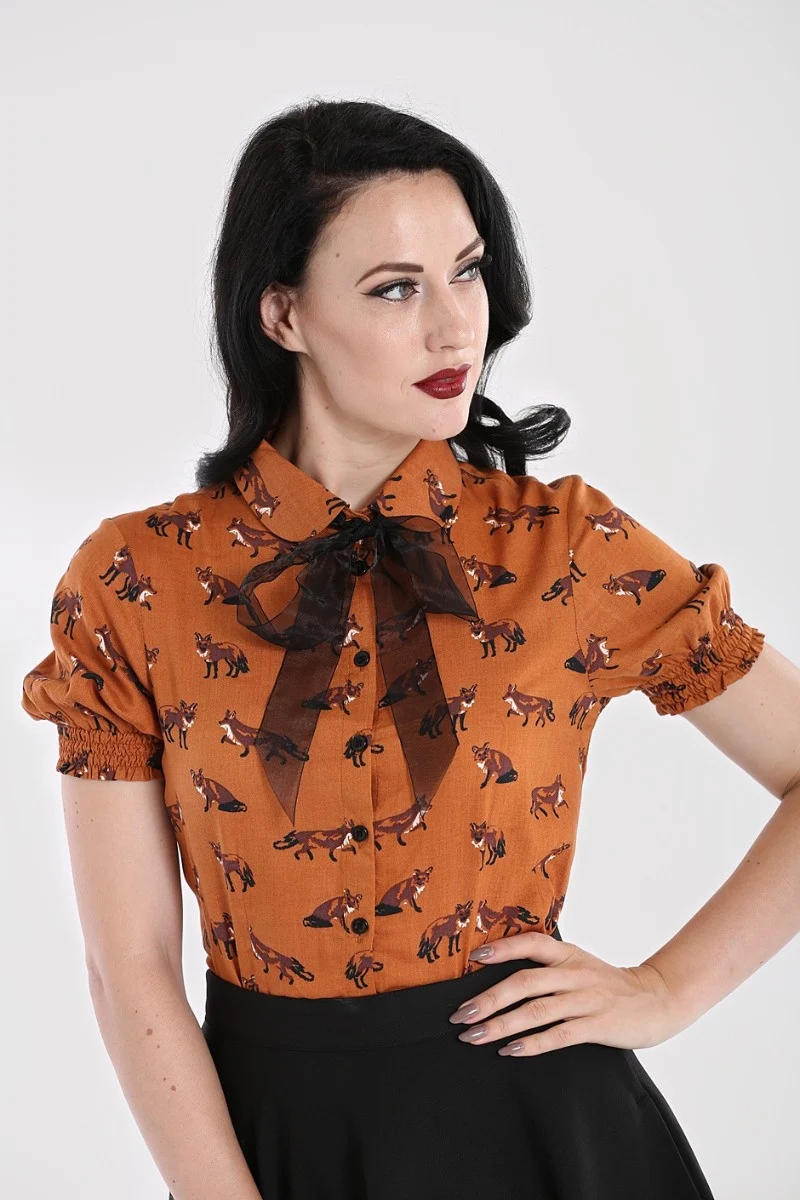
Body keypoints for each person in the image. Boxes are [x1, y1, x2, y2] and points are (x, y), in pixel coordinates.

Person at [20, 98, 800, 1200]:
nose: (453, 330)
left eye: (466, 273)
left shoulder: (566, 547)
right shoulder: (138, 581)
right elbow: (129, 967)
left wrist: (668, 990)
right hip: (272, 1144)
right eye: (395, 288)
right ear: (282, 314)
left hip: (553, 1137)